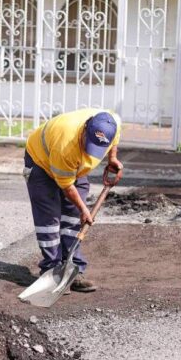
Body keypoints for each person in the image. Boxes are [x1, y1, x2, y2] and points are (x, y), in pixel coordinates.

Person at [23, 109, 123, 293]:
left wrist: (113, 158)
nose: (91, 150)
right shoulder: (65, 146)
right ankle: (52, 272)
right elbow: (67, 186)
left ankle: (72, 269)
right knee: (49, 220)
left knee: (72, 218)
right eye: (90, 143)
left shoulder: (111, 123)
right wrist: (84, 209)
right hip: (41, 162)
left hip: (73, 165)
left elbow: (115, 138)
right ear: (85, 129)